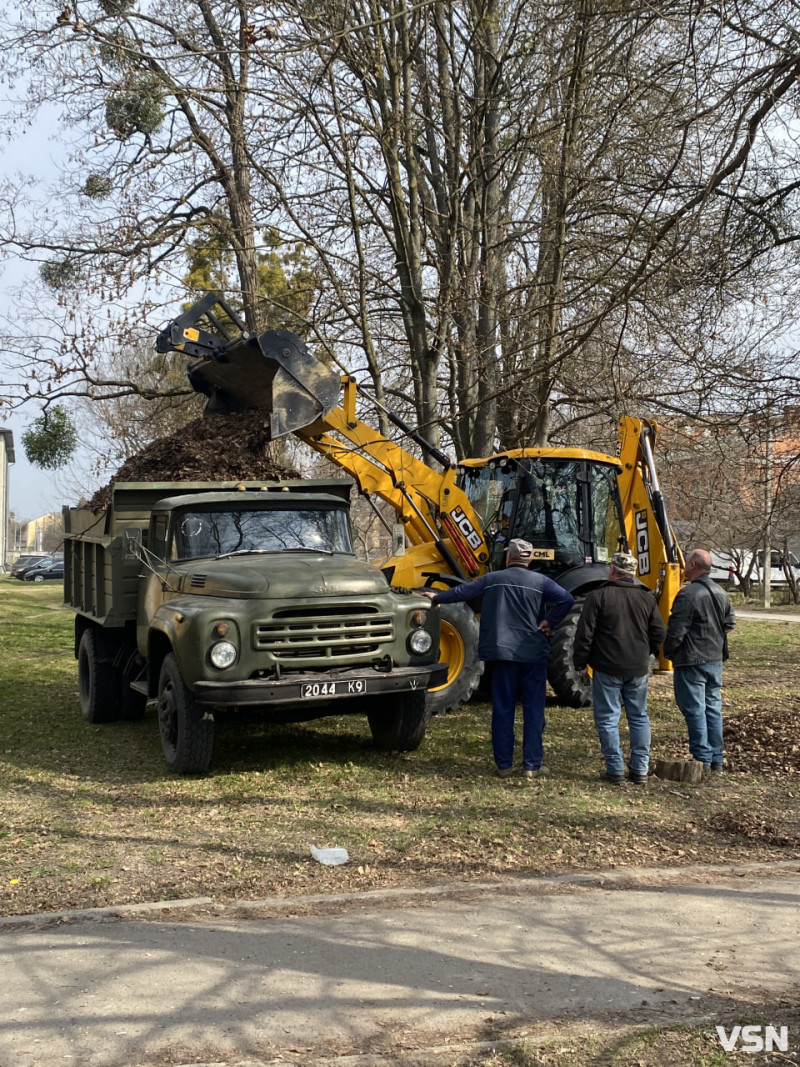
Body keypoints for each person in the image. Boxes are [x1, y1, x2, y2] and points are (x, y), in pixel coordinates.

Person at [420, 539, 574, 779]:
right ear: (529, 559)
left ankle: (504, 766)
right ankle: (532, 766)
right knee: (534, 710)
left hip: (502, 654)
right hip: (534, 654)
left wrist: (436, 597)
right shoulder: (542, 582)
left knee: (504, 708)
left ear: (508, 558)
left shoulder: (492, 579)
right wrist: (549, 623)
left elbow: (463, 591)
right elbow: (567, 599)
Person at [573, 550, 666, 785]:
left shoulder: (599, 595)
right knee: (639, 717)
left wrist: (580, 664)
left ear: (612, 570)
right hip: (637, 667)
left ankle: (615, 770)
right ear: (632, 573)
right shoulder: (646, 598)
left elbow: (584, 634)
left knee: (607, 718)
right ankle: (640, 770)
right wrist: (646, 653)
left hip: (606, 666)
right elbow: (659, 633)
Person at [663, 548, 735, 774]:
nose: (683, 566)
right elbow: (730, 623)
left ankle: (702, 758)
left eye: (686, 562)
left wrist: (668, 653)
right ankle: (717, 759)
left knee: (694, 709)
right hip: (715, 659)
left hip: (691, 660)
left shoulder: (688, 594)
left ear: (693, 565)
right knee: (713, 708)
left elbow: (676, 631)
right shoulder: (721, 592)